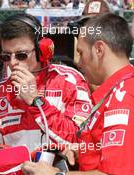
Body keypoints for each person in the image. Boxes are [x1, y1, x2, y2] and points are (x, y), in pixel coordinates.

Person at [21, 13, 134, 175]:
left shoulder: (123, 97)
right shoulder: (118, 90)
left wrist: (55, 174)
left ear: (99, 50)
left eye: (81, 53)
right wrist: (83, 152)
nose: (79, 63)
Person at [0, 13, 92, 153]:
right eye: (6, 56)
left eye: (21, 55)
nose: (12, 63)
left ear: (42, 50)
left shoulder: (70, 81)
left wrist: (36, 102)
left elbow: (81, 140)